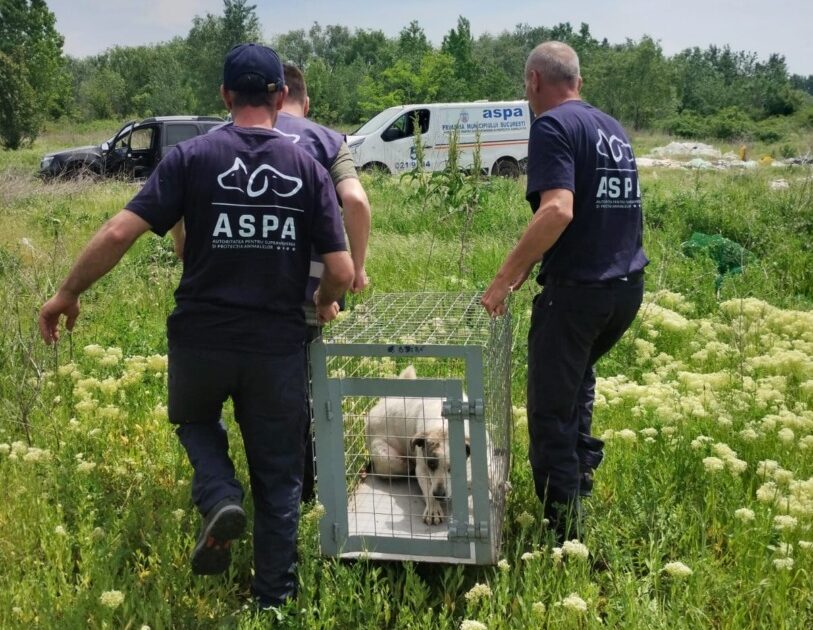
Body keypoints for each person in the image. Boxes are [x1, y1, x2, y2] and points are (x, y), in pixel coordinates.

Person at [38, 43, 354, 608]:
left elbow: (118, 233)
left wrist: (66, 293)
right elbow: (341, 269)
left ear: (225, 96)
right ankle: (272, 603)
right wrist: (325, 300)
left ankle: (218, 492)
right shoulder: (307, 167)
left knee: (194, 420)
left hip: (201, 338)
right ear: (281, 97)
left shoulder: (191, 157)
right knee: (279, 478)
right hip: (278, 346)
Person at [481, 41, 647, 542]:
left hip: (578, 294)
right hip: (625, 289)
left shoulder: (551, 126)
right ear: (577, 79)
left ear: (534, 80)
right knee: (578, 387)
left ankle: (562, 531)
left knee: (551, 409)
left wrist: (504, 277)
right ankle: (581, 482)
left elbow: (557, 210)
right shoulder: (612, 129)